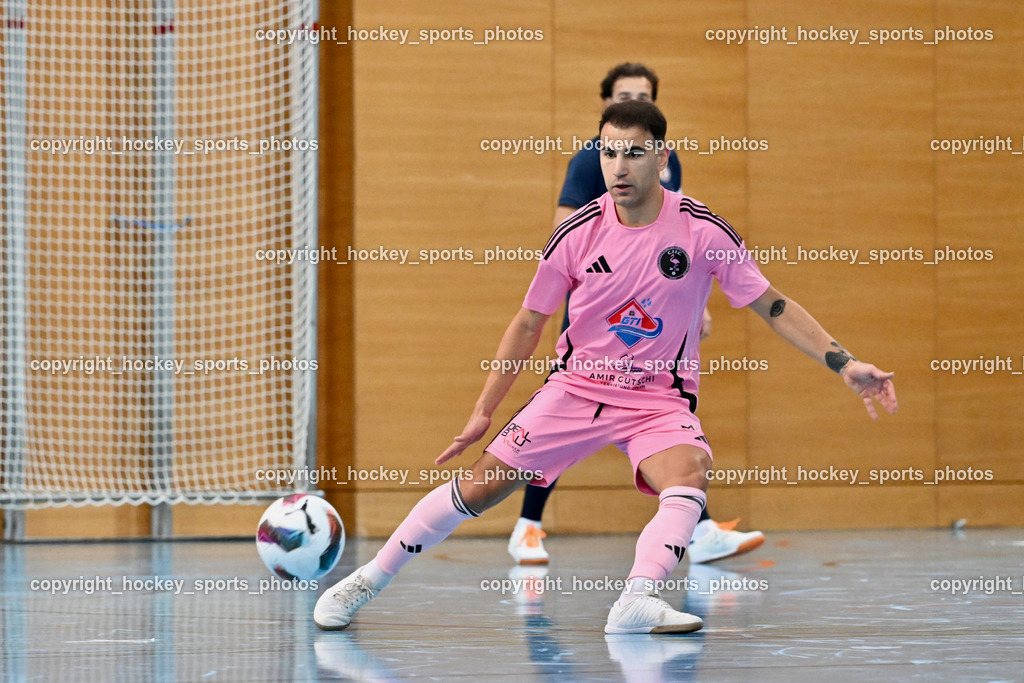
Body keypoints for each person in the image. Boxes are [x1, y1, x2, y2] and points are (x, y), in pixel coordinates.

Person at [314, 100, 897, 634]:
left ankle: (637, 599)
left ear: (662, 157)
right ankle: (367, 579)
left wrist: (842, 362)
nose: (619, 166)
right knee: (482, 486)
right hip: (574, 390)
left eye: (634, 153)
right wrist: (481, 412)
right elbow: (527, 323)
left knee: (690, 474)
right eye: (609, 151)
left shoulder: (701, 231)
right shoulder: (577, 232)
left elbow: (772, 304)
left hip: (656, 401)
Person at [508, 62, 762, 566]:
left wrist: (695, 306)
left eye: (642, 94)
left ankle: (700, 529)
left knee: (666, 420)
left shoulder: (669, 163)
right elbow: (566, 231)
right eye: (622, 94)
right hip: (598, 311)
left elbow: (680, 241)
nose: (632, 100)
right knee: (563, 424)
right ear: (604, 103)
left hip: (653, 315)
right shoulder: (588, 162)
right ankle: (527, 526)